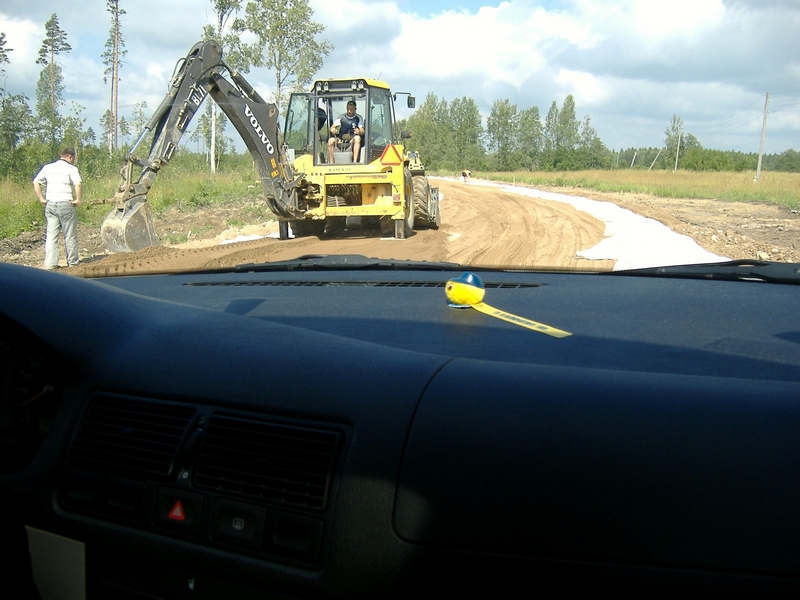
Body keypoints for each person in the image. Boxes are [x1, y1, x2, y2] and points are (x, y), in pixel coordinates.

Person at [33, 148, 82, 270]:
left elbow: (36, 182)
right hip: (65, 203)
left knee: (51, 235)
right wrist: (78, 199)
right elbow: (78, 183)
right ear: (70, 157)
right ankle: (72, 263)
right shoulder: (71, 169)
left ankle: (50, 264)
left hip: (50, 204)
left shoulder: (48, 168)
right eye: (73, 159)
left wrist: (41, 198)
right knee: (69, 235)